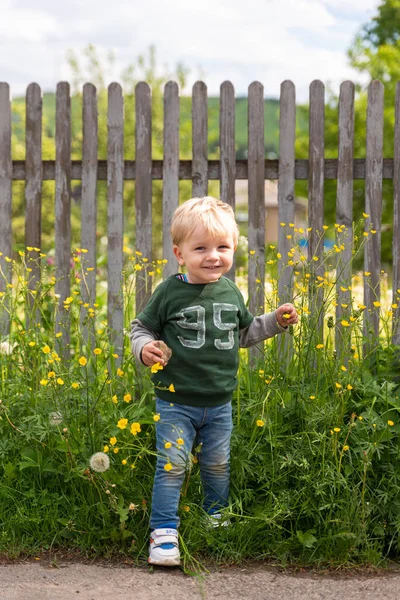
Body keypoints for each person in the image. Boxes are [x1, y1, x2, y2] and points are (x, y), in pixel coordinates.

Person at [129, 196, 298, 566]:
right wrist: (144, 349)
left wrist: (277, 321)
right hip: (175, 401)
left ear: (233, 248)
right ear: (180, 253)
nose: (213, 256)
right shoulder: (169, 292)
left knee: (217, 464)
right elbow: (140, 327)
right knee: (172, 465)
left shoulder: (229, 291)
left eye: (223, 247)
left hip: (219, 403)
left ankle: (216, 519)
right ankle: (163, 533)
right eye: (201, 248)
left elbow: (244, 332)